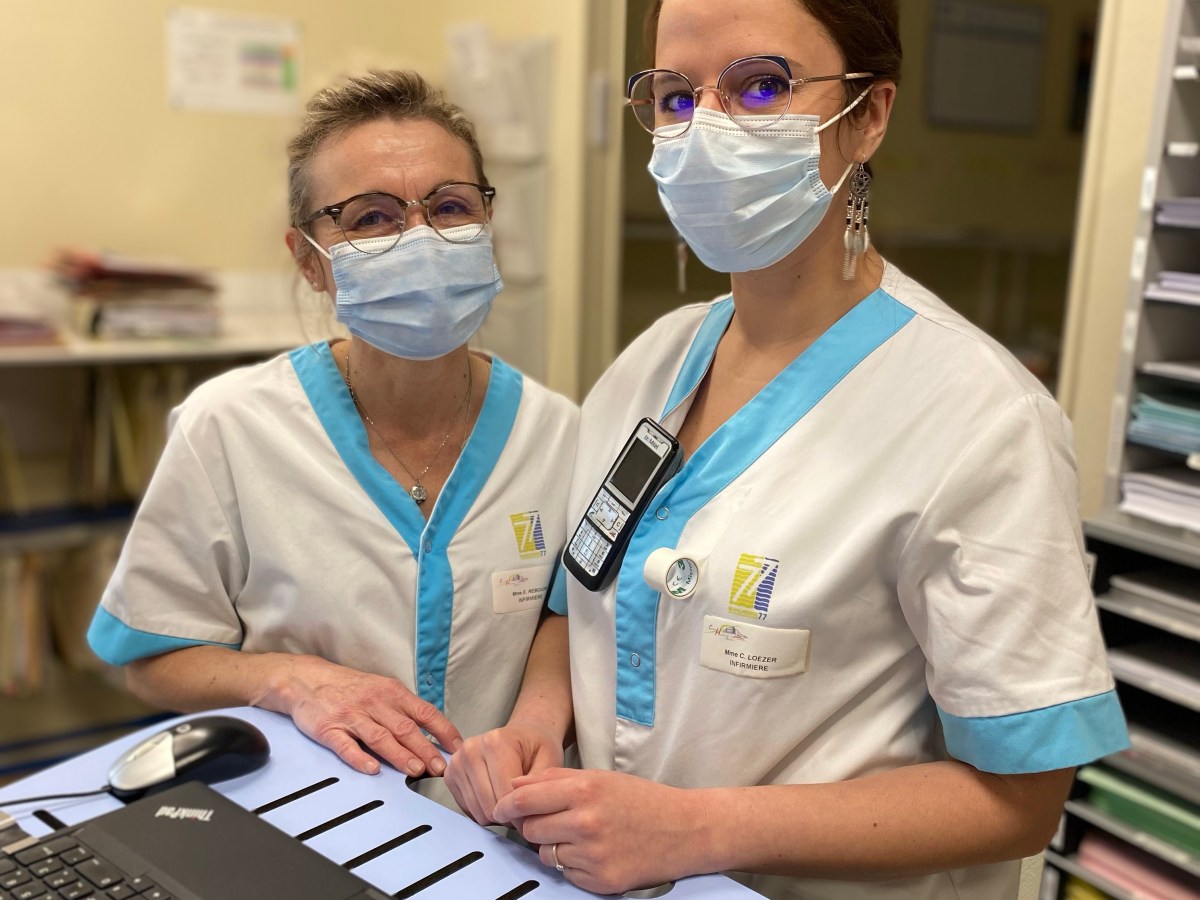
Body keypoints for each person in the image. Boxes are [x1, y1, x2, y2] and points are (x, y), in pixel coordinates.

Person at [443, 2, 1128, 897]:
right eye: (677, 97)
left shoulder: (982, 416)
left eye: (762, 86)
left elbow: (1023, 797)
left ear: (868, 115)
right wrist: (536, 720)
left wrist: (696, 829)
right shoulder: (649, 365)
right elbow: (580, 599)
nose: (709, 128)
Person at [87, 70, 578, 785]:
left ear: (486, 226)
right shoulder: (229, 428)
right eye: (370, 218)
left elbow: (563, 618)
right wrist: (289, 679)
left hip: (496, 831)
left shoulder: (559, 434)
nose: (422, 239)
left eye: (449, 207)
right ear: (309, 262)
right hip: (303, 819)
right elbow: (152, 660)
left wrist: (537, 724)